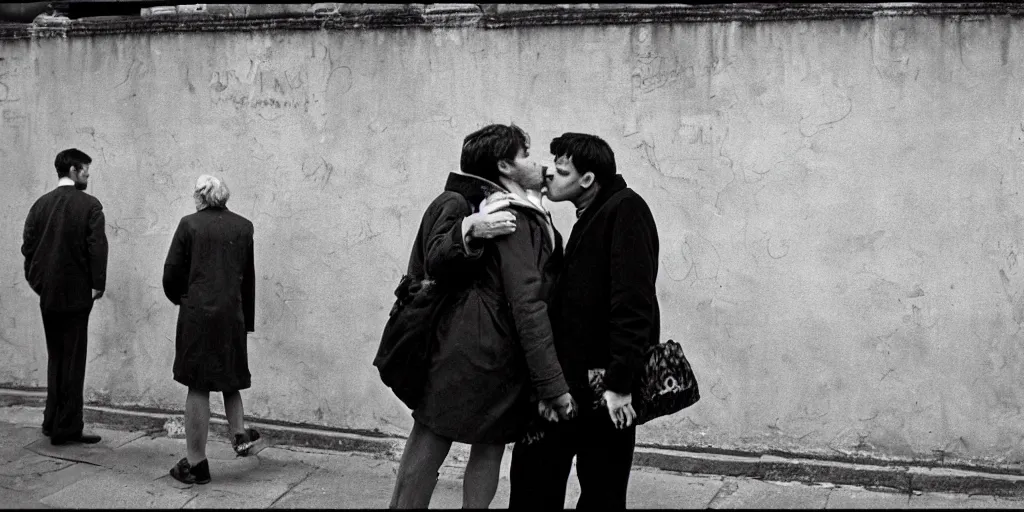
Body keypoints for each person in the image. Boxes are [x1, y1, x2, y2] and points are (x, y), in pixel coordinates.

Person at [389, 123, 575, 509]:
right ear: (506, 165)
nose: (538, 163)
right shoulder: (500, 213)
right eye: (527, 155)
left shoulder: (504, 207)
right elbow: (528, 302)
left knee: (451, 440)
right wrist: (552, 383)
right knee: (452, 442)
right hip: (485, 350)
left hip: (472, 348)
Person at [509, 132, 661, 509]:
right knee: (533, 484)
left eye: (561, 172)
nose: (549, 177)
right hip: (566, 386)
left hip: (604, 390)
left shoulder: (625, 210)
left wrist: (620, 384)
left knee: (601, 493)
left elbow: (633, 303)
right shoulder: (592, 215)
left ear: (588, 179)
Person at [162, 175, 260, 485]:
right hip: (232, 314)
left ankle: (195, 463)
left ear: (200, 197)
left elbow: (171, 273)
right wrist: (247, 318)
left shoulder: (189, 224)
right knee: (230, 378)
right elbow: (249, 277)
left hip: (198, 316)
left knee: (198, 385)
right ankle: (240, 433)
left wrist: (184, 298)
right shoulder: (243, 227)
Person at [22, 148, 108, 446]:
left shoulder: (40, 205)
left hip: (48, 294)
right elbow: (97, 247)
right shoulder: (89, 205)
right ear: (73, 170)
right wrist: (97, 284)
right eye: (85, 169)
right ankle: (67, 427)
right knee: (73, 360)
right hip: (76, 296)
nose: (88, 174)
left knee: (56, 357)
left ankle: (51, 421)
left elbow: (28, 249)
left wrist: (39, 283)